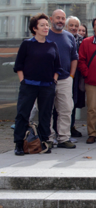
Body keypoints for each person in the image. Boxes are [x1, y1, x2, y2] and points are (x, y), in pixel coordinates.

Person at [13, 13, 61, 156]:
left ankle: (44, 141)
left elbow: (57, 66)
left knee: (46, 114)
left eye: (47, 25)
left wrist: (54, 80)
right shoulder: (27, 44)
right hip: (29, 84)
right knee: (23, 114)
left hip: (47, 86)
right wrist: (23, 81)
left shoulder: (52, 45)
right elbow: (18, 65)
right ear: (34, 28)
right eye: (42, 25)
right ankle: (19, 144)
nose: (46, 27)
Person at [45, 9, 78, 149]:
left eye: (63, 18)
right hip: (46, 80)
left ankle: (64, 138)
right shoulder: (45, 35)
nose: (60, 21)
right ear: (51, 19)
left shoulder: (69, 36)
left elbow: (74, 58)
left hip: (65, 79)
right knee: (47, 110)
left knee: (66, 109)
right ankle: (49, 138)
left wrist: (71, 76)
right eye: (57, 18)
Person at [65, 16, 84, 138]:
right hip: (64, 74)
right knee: (63, 103)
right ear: (67, 26)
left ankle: (71, 126)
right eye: (71, 25)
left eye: (76, 26)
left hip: (78, 76)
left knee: (73, 102)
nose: (74, 28)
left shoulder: (83, 40)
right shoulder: (62, 38)